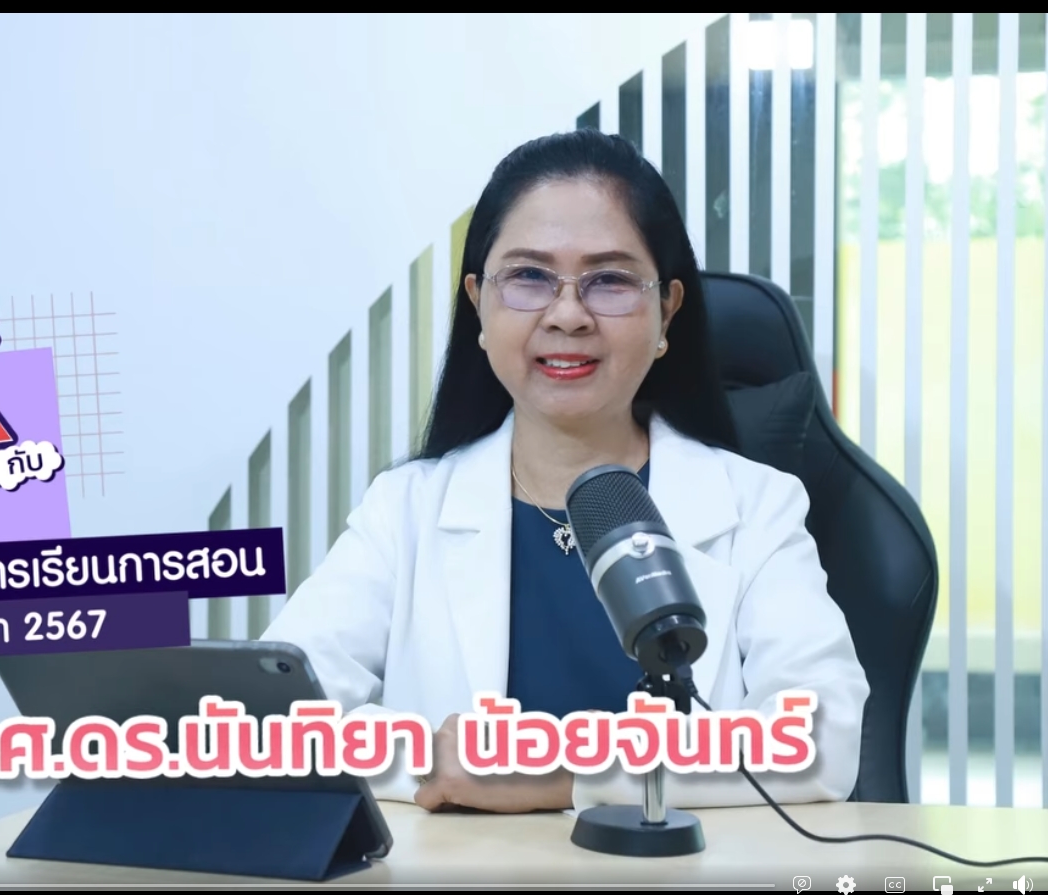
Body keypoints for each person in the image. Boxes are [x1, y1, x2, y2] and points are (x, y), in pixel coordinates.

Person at [259, 130, 869, 815]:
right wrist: (445, 761)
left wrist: (564, 775)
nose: (568, 315)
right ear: (478, 304)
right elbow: (276, 718)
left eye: (609, 280)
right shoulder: (403, 511)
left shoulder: (755, 506)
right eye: (528, 277)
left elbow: (822, 739)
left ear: (667, 311)